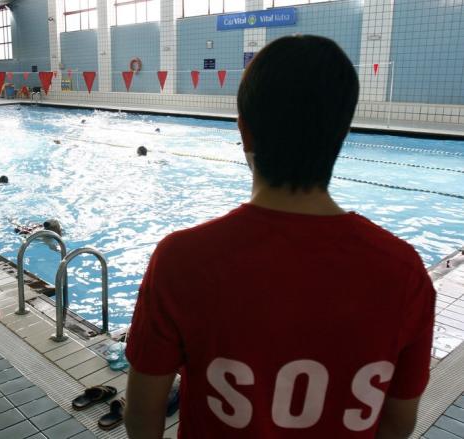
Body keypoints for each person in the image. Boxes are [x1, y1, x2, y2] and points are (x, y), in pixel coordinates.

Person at [124, 35, 435, 439]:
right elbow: (397, 424)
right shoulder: (404, 271)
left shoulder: (181, 261)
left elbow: (142, 416)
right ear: (342, 134)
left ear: (245, 133)